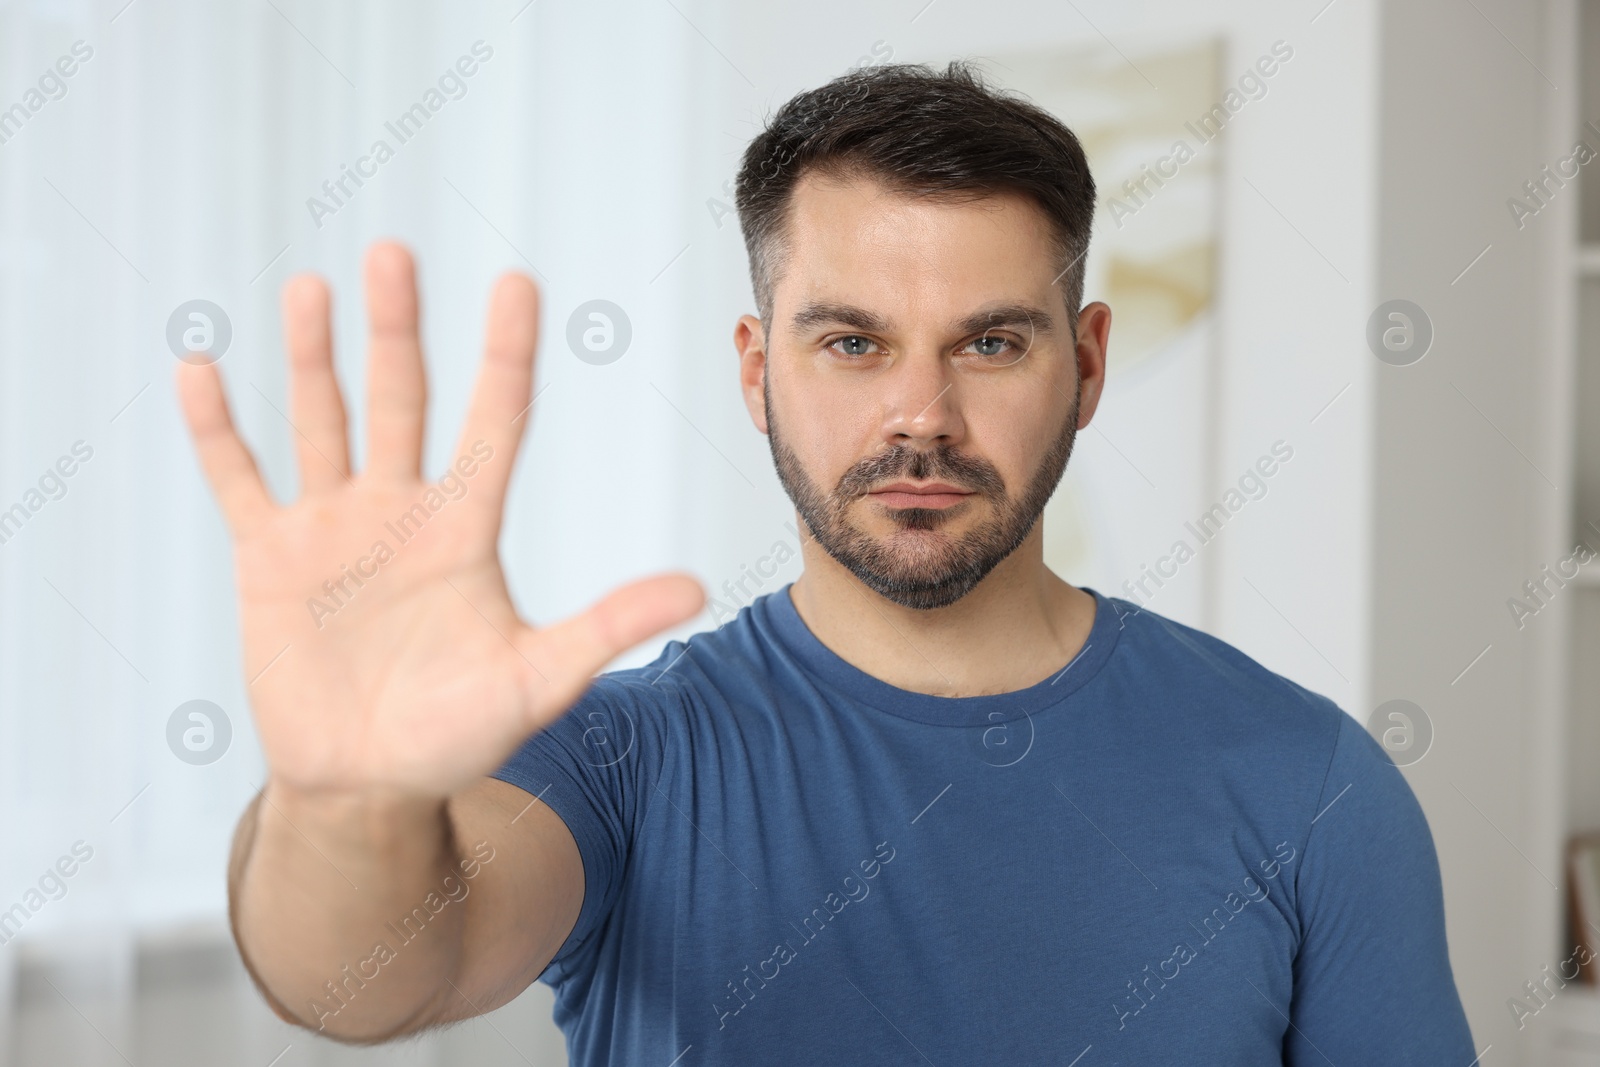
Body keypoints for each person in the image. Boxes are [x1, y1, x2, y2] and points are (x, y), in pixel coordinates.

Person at [175, 60, 1475, 1065]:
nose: (921, 414)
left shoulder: (1311, 787)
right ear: (757, 370)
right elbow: (365, 978)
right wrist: (343, 803)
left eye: (990, 344)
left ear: (1085, 365)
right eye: (852, 343)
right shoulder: (626, 764)